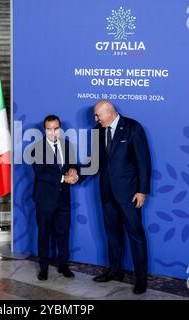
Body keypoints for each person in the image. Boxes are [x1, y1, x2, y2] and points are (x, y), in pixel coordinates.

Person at [88, 100, 151, 294]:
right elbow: (95, 163)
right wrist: (76, 175)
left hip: (129, 195)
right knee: (113, 234)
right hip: (107, 193)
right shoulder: (97, 131)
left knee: (136, 236)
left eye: (98, 115)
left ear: (110, 112)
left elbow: (144, 161)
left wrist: (142, 190)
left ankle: (141, 279)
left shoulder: (133, 127)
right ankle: (115, 271)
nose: (95, 119)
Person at [31, 115, 79, 281]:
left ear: (60, 128)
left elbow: (72, 164)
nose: (53, 133)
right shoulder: (36, 148)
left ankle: (63, 265)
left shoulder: (68, 146)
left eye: (56, 128)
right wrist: (63, 178)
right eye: (49, 129)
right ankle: (43, 267)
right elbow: (41, 173)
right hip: (45, 199)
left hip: (64, 197)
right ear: (45, 130)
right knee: (44, 233)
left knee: (63, 232)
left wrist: (73, 171)